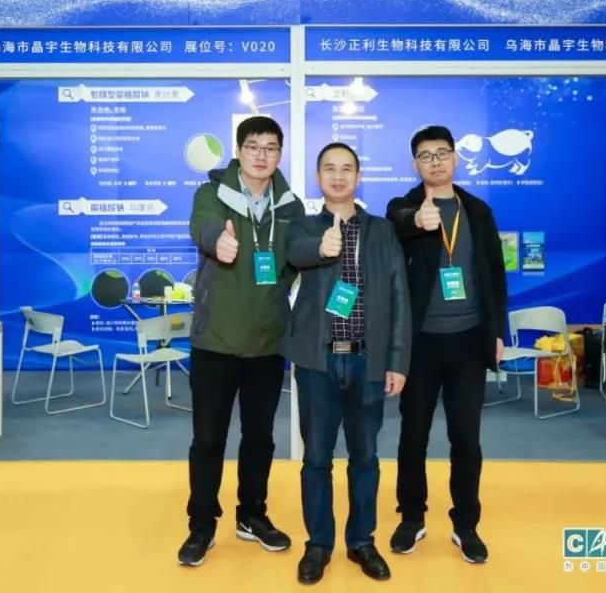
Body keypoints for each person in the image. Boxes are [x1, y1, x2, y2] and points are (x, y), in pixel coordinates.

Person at [180, 116, 305, 567]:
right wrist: (218, 241)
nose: (261, 155)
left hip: (267, 344)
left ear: (279, 154)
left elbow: (297, 256)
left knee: (260, 438)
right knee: (208, 439)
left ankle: (252, 515)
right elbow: (203, 225)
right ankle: (201, 524)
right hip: (215, 341)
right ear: (239, 150)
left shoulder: (289, 206)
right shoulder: (211, 193)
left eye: (270, 148)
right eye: (253, 146)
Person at [284, 143, 411, 584]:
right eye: (329, 169)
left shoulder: (382, 231)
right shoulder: (303, 225)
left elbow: (399, 296)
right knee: (316, 458)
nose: (338, 177)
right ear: (318, 177)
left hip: (368, 362)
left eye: (346, 169)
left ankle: (361, 541)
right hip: (317, 362)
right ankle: (319, 543)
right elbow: (294, 253)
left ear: (358, 177)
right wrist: (321, 246)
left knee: (365, 458)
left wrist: (397, 361)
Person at [385, 125, 508, 565]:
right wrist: (417, 220)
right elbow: (397, 222)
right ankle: (411, 517)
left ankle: (466, 524)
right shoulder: (403, 206)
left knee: (466, 440)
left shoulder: (478, 211)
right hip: (420, 344)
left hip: (469, 341)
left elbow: (495, 274)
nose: (435, 162)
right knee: (412, 436)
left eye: (442, 153)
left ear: (455, 159)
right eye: (425, 155)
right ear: (415, 164)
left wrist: (497, 331)